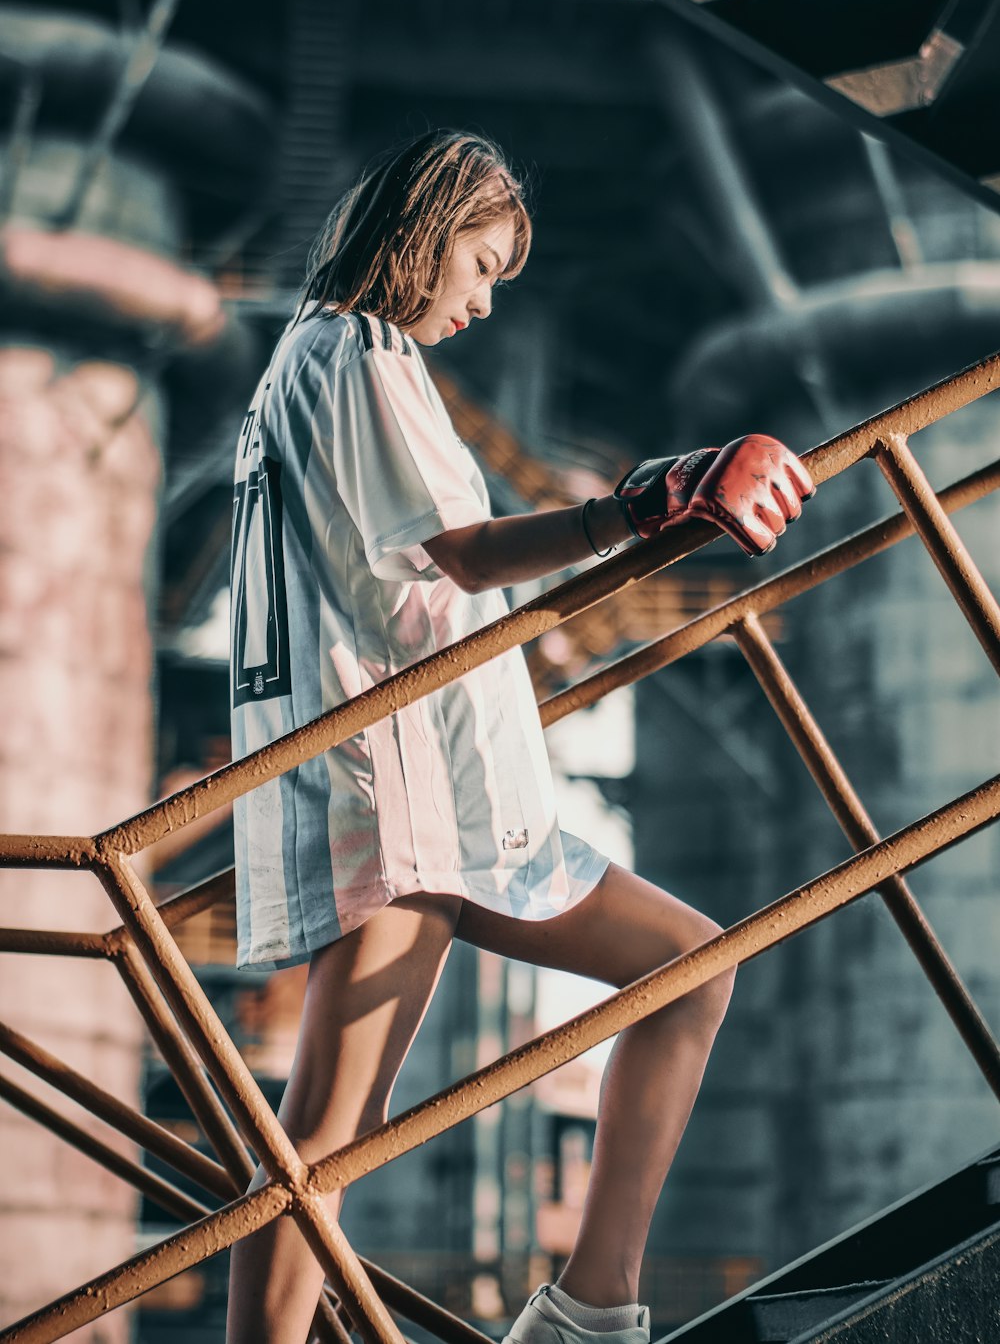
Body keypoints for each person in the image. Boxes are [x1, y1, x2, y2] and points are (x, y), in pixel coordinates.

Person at [226, 130, 814, 1344]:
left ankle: (588, 1314)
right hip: (404, 793)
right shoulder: (358, 353)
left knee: (687, 969)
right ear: (426, 233)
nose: (486, 301)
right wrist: (639, 503)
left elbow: (408, 579)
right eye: (481, 265)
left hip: (446, 796)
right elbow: (467, 551)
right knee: (320, 1147)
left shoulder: (315, 365)